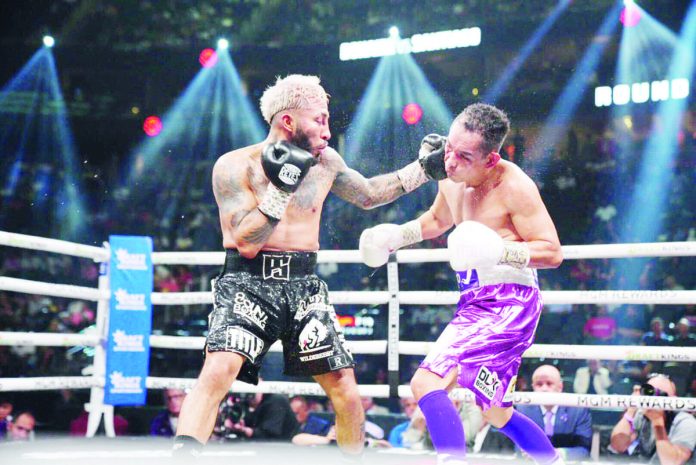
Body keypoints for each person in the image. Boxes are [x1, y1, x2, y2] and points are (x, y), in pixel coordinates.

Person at [173, 74, 445, 459]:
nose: (328, 130)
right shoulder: (235, 166)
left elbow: (368, 196)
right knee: (218, 371)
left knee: (346, 390)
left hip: (304, 285)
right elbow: (247, 242)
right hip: (248, 282)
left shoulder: (326, 162)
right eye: (319, 119)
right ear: (288, 121)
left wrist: (422, 170)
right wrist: (281, 188)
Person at [359, 103, 564, 465]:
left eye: (464, 155)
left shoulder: (513, 185)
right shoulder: (449, 171)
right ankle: (552, 461)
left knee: (426, 383)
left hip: (511, 302)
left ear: (490, 159)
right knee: (495, 412)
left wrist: (500, 251)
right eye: (449, 147)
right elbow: (438, 219)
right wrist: (395, 237)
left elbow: (552, 252)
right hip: (473, 300)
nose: (450, 160)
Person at [610, 373, 696, 465]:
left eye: (661, 394)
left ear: (673, 400)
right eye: (648, 391)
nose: (654, 399)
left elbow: (671, 462)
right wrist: (631, 409)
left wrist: (657, 422)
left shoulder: (686, 422)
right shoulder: (641, 415)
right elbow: (618, 446)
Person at [517, 365, 592, 460]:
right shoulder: (523, 410)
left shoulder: (578, 410)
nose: (544, 389)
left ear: (560, 387)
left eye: (549, 383)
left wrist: (557, 454)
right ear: (533, 387)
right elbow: (519, 448)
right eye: (539, 384)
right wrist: (527, 452)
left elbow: (583, 450)